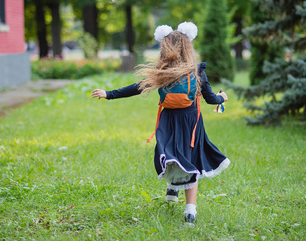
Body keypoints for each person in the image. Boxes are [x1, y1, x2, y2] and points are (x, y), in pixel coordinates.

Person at [91, 22, 230, 226]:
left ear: (164, 47)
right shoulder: (197, 71)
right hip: (191, 121)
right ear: (188, 46)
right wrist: (222, 98)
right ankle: (190, 211)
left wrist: (109, 94)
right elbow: (210, 99)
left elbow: (137, 87)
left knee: (170, 154)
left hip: (169, 120)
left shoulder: (161, 71)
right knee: (189, 160)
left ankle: (173, 189)